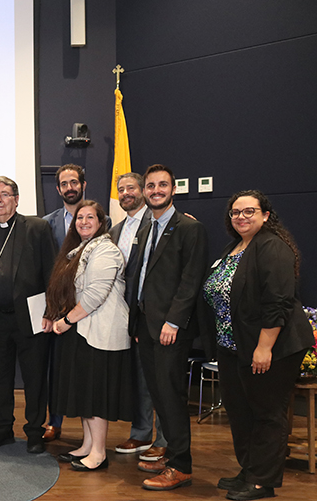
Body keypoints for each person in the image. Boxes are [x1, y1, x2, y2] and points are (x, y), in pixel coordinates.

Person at [202, 190, 312, 501]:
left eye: (249, 211)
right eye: (235, 212)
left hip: (270, 347)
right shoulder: (235, 248)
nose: (241, 217)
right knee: (240, 412)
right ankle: (249, 470)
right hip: (234, 346)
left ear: (265, 215)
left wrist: (264, 348)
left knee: (266, 413)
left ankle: (263, 482)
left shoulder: (272, 247)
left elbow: (277, 302)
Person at [129, 164, 208, 491]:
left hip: (170, 329)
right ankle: (172, 451)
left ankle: (181, 466)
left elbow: (190, 281)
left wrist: (173, 321)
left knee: (172, 397)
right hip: (146, 327)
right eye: (150, 186)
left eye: (162, 185)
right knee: (159, 394)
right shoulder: (146, 228)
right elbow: (140, 277)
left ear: (173, 190)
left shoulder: (190, 228)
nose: (156, 190)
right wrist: (137, 321)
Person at [0, 176, 56, 454]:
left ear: (17, 199)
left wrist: (51, 312)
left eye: (5, 195)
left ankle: (34, 432)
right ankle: (2, 429)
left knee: (34, 377)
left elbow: (51, 273)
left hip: (32, 317)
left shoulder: (37, 228)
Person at [46, 200, 132, 471]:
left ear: (101, 222)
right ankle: (86, 445)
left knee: (96, 394)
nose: (83, 221)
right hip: (83, 330)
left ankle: (98, 452)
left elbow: (96, 294)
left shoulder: (105, 250)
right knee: (85, 391)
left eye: (89, 217)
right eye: (79, 217)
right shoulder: (79, 250)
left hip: (98, 332)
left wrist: (66, 321)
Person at [41, 164, 110, 442]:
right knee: (55, 367)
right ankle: (54, 421)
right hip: (57, 306)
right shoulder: (46, 223)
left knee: (84, 370)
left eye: (74, 182)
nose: (69, 187)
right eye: (64, 184)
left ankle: (91, 438)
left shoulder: (101, 221)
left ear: (83, 184)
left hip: (89, 308)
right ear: (58, 189)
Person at [109, 172, 167, 462]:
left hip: (157, 316)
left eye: (131, 187)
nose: (126, 193)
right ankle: (142, 432)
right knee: (140, 378)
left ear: (143, 190)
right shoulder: (115, 230)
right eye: (121, 190)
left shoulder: (160, 223)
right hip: (128, 316)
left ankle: (165, 438)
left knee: (162, 381)